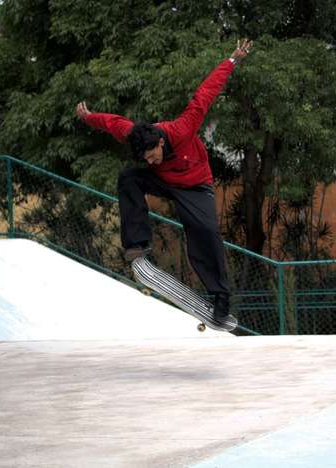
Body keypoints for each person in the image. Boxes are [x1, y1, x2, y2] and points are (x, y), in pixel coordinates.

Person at [76, 39, 253, 320]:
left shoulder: (182, 128)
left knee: (205, 231)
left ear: (159, 142)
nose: (150, 160)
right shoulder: (135, 134)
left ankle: (220, 297)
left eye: (152, 155)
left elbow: (205, 93)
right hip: (165, 182)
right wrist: (88, 117)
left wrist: (231, 60)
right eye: (145, 159)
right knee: (129, 179)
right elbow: (112, 122)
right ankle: (137, 245)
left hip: (196, 186)